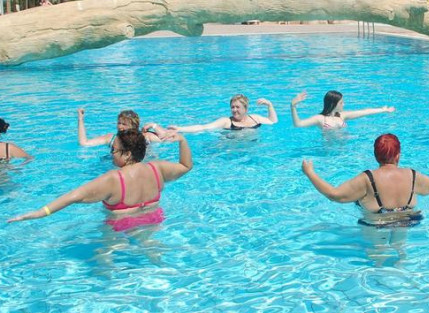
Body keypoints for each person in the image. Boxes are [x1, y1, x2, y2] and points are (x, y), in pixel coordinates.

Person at [7, 129, 193, 227]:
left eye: (114, 150)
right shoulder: (157, 168)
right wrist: (182, 141)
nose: (111, 153)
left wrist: (40, 212)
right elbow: (186, 166)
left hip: (120, 224)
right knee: (153, 254)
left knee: (104, 261)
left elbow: (74, 196)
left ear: (127, 154)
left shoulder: (113, 179)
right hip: (153, 218)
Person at [301, 133, 429, 227]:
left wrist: (310, 173)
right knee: (400, 251)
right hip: (407, 221)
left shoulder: (367, 179)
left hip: (376, 224)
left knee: (378, 257)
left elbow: (334, 195)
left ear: (375, 156)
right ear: (398, 155)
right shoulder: (412, 175)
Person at [167, 94, 277, 133]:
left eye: (237, 107)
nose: (234, 110)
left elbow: (273, 122)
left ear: (246, 108)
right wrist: (180, 129)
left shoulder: (255, 118)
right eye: (232, 107)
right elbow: (203, 127)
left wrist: (270, 105)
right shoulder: (226, 121)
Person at [291, 90, 394, 129]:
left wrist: (382, 110)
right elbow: (298, 124)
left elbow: (363, 112)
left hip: (344, 150)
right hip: (329, 151)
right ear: (333, 104)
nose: (343, 104)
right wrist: (293, 106)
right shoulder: (320, 119)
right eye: (341, 102)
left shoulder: (341, 115)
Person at [78, 108, 164, 147]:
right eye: (119, 123)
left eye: (124, 124)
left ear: (134, 126)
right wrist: (80, 119)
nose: (120, 127)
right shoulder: (112, 138)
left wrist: (153, 125)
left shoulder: (146, 137)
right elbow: (84, 143)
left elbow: (166, 138)